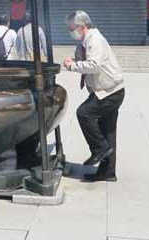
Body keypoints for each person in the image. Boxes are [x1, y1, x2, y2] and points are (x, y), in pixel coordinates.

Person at [63, 10, 125, 183]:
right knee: (108, 131)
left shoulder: (94, 39)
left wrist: (72, 66)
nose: (71, 32)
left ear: (82, 27)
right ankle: (108, 172)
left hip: (109, 92)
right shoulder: (84, 41)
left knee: (84, 113)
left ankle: (99, 149)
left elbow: (94, 65)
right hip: (109, 90)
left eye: (72, 28)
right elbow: (83, 59)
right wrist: (74, 60)